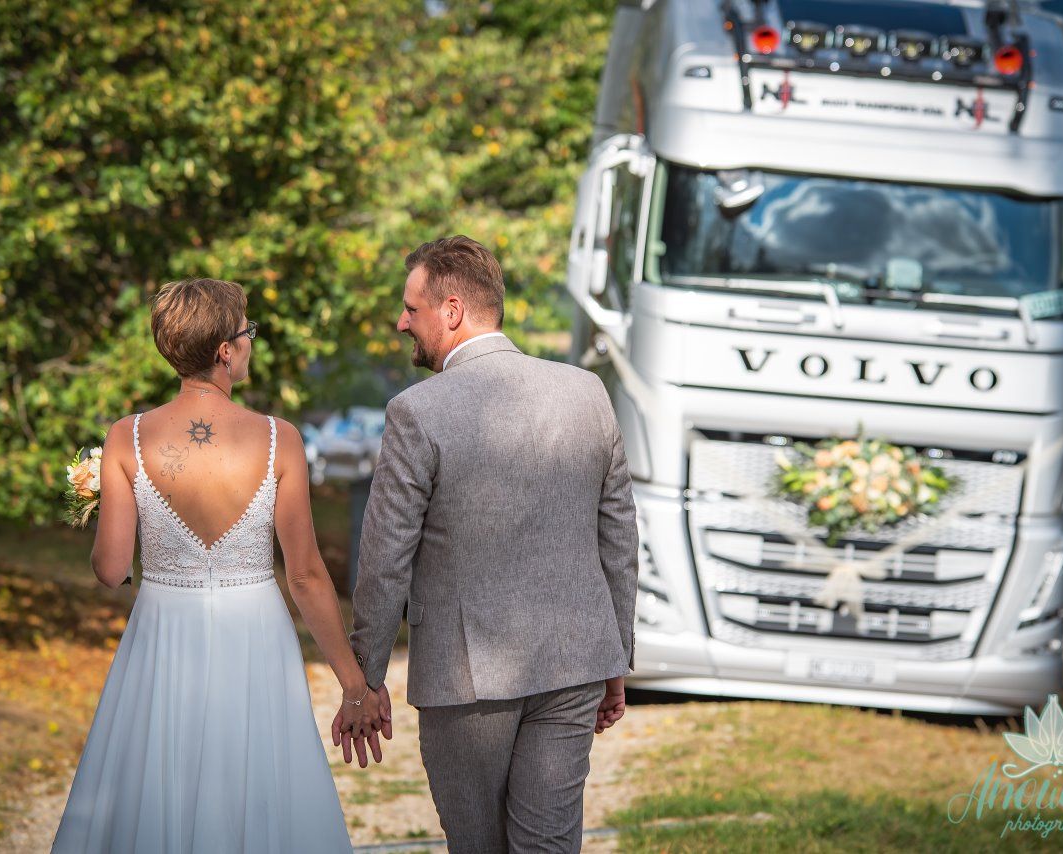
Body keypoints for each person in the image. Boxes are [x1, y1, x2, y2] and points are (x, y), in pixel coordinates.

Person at [53, 278, 379, 853]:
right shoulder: (279, 438)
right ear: (225, 351)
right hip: (252, 630)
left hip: (163, 632)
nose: (251, 341)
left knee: (161, 781)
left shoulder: (126, 438)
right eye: (247, 331)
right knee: (254, 784)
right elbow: (303, 574)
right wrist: (354, 684)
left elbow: (109, 569)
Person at [339, 236, 639, 853]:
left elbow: (385, 558)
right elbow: (619, 536)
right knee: (549, 845)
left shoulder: (416, 411)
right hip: (576, 660)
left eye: (411, 309)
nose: (402, 323)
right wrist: (616, 657)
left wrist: (365, 678)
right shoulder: (586, 391)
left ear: (451, 311)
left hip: (467, 677)